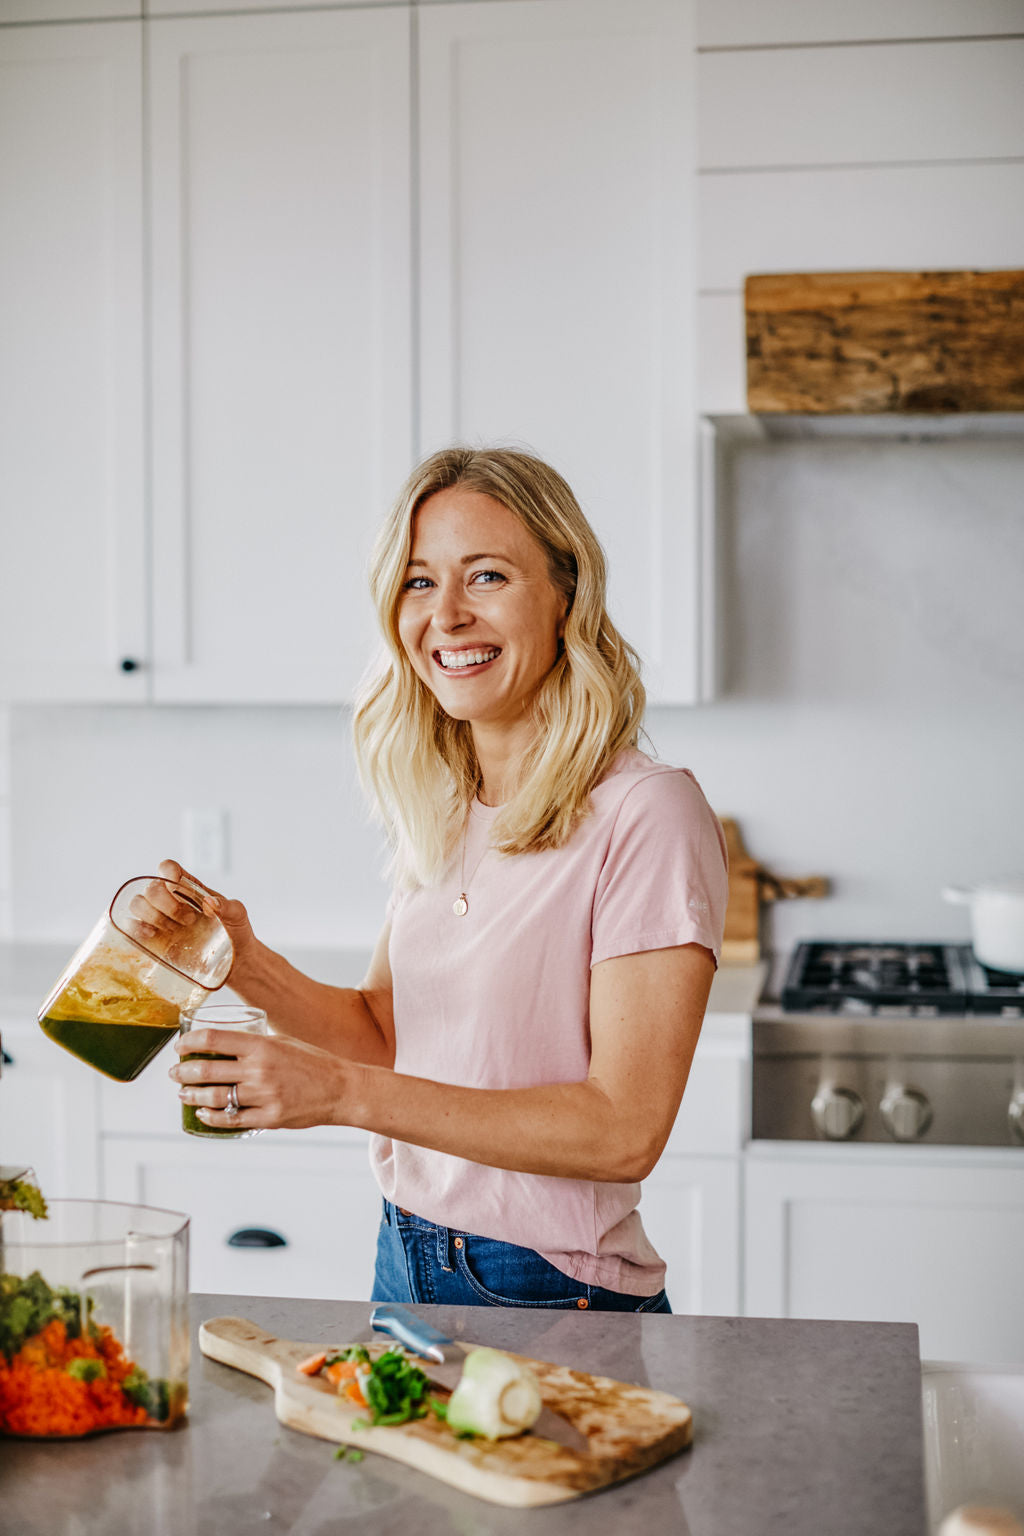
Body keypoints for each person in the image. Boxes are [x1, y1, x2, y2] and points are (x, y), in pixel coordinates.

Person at [164, 446, 728, 1311]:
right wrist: (244, 961)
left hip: (549, 1285)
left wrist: (342, 1097)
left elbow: (624, 1130)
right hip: (406, 1248)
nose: (448, 616)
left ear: (565, 595)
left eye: (488, 576)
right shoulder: (443, 802)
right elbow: (390, 1034)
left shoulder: (645, 813)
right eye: (419, 583)